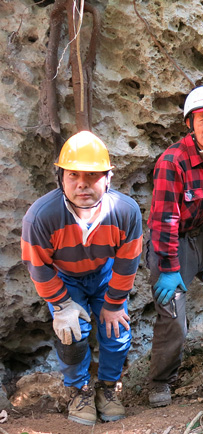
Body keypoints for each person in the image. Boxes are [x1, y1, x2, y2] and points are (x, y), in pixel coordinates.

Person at [21, 131, 143, 425]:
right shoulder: (41, 217)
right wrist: (61, 305)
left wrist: (113, 304)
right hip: (65, 279)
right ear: (60, 177)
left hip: (104, 274)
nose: (82, 184)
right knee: (71, 336)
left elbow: (127, 262)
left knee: (117, 332)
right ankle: (80, 390)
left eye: (92, 175)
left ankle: (108, 388)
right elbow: (37, 265)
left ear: (108, 178)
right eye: (73, 175)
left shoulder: (125, 212)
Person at [146, 85, 203, 407]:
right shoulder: (172, 162)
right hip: (170, 243)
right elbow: (164, 220)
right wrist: (168, 269)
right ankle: (159, 382)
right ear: (190, 124)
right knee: (174, 319)